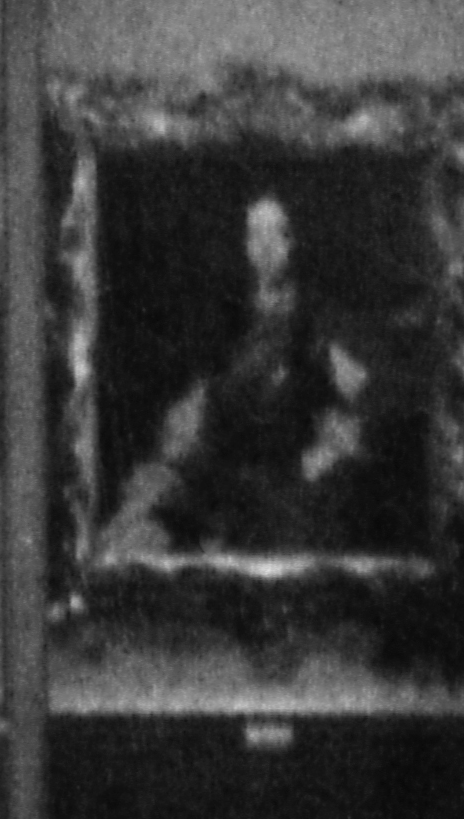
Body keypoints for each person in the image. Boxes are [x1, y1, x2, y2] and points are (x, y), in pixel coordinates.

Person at [99, 189, 389, 562]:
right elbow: (206, 391)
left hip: (276, 483)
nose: (265, 246)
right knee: (137, 522)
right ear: (245, 244)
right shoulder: (231, 315)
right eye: (255, 234)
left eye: (276, 234)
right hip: (215, 468)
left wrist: (323, 455)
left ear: (292, 241)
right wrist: (188, 425)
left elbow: (363, 398)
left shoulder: (312, 321)